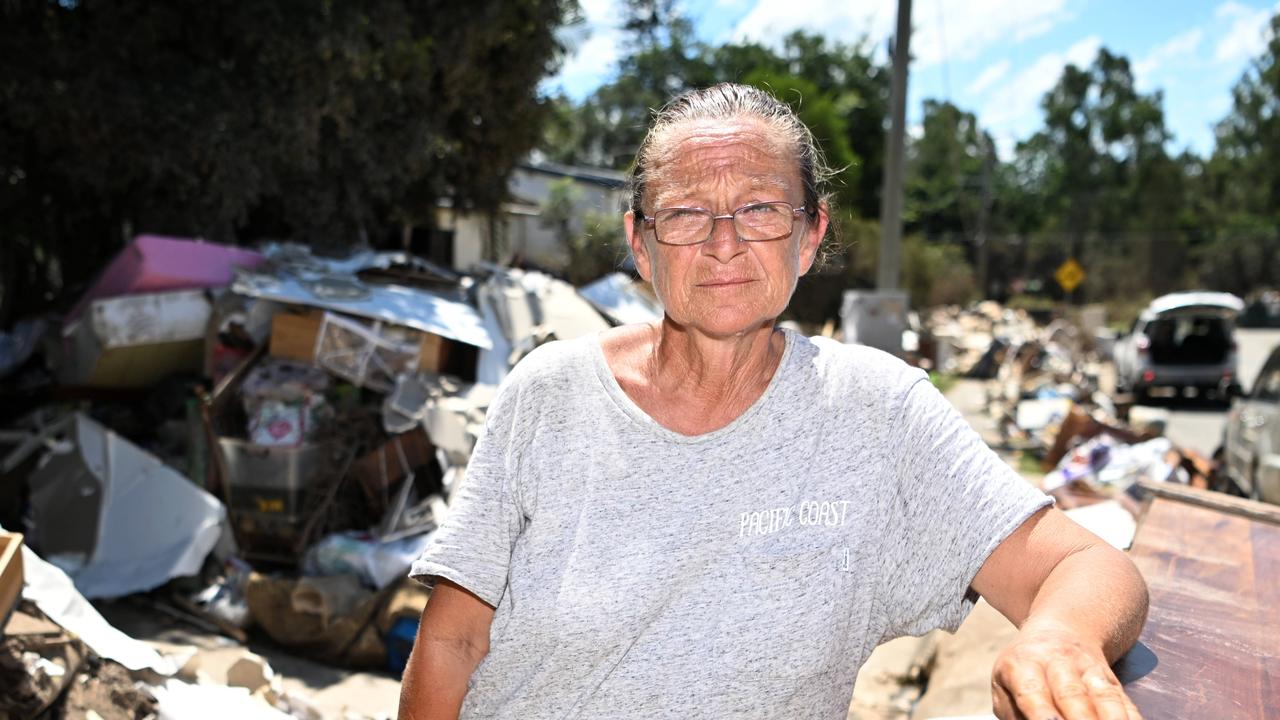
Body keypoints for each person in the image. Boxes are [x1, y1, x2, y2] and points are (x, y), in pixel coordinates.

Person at [399, 83, 1149, 720]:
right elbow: (452, 640)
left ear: (810, 234)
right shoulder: (548, 393)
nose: (724, 244)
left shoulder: (875, 414)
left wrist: (1060, 637)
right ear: (641, 243)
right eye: (687, 212)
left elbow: (1091, 568)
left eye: (761, 208)